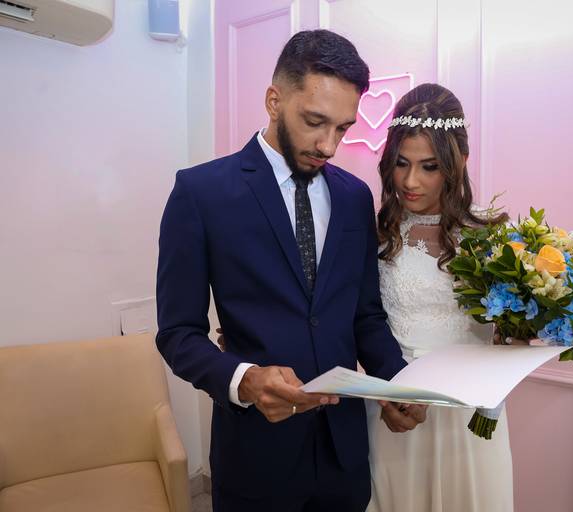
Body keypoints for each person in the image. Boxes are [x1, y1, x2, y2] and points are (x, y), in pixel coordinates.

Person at [155, 29, 425, 512]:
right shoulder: (200, 193)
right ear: (274, 101)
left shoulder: (354, 197)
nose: (329, 145)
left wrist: (397, 386)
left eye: (342, 128)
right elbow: (178, 333)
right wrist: (244, 379)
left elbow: (364, 316)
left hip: (343, 456)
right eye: (315, 122)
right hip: (255, 455)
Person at [367, 83, 515, 511]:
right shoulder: (374, 235)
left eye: (429, 166)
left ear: (459, 161)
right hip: (397, 408)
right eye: (401, 163)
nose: (409, 181)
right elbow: (358, 320)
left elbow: (508, 330)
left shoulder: (495, 239)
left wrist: (519, 333)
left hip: (468, 417)